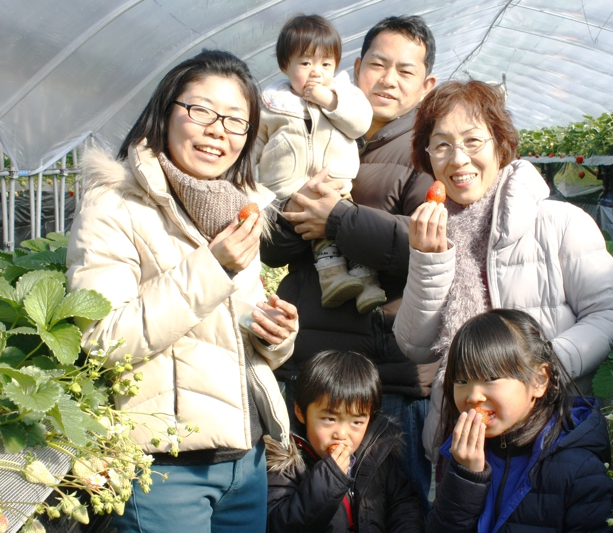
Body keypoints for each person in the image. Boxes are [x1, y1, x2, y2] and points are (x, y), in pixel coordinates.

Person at [65, 50, 298, 532]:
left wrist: (275, 335)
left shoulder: (239, 208)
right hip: (164, 469)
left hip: (246, 460)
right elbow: (102, 340)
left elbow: (232, 334)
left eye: (235, 120)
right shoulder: (115, 205)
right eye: (201, 111)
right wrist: (213, 267)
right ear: (166, 110)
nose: (218, 131)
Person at [393, 80, 613, 462]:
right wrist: (429, 261)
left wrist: (536, 372)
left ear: (500, 144)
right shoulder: (437, 234)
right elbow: (415, 346)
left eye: (473, 141)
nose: (458, 159)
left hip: (548, 434)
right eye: (441, 145)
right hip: (461, 437)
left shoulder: (560, 223)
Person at [261, 15, 439, 509]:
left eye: (405, 71)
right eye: (378, 65)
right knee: (304, 509)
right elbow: (271, 248)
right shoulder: (308, 125)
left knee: (390, 510)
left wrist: (338, 219)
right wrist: (297, 211)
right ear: (356, 68)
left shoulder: (429, 151)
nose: (388, 79)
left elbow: (426, 248)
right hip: (310, 372)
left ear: (426, 85)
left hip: (385, 382)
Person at [426, 310, 613, 532]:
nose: (473, 396)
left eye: (491, 378)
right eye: (461, 380)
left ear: (539, 380)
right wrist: (465, 478)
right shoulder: (463, 455)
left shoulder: (578, 468)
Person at [254, 15, 382, 312]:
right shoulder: (272, 103)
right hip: (289, 193)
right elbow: (253, 147)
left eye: (326, 64)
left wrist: (330, 101)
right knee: (320, 237)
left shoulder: (345, 95)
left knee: (347, 231)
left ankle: (367, 283)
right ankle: (333, 279)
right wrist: (250, 188)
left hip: (336, 187)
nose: (317, 72)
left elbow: (359, 124)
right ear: (284, 65)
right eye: (305, 63)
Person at [265, 350, 424, 532]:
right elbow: (278, 524)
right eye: (329, 419)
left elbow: (402, 504)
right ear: (300, 411)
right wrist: (329, 479)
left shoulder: (376, 454)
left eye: (356, 422)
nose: (341, 434)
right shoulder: (285, 464)